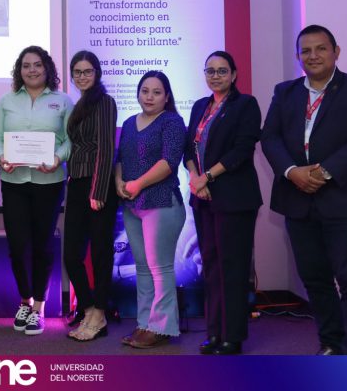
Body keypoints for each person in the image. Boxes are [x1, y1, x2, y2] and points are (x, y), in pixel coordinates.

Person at [261, 24, 347, 355]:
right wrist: (292, 172)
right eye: (306, 50)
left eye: (321, 48)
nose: (313, 55)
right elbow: (269, 137)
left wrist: (324, 172)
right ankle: (331, 343)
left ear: (336, 52)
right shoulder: (284, 92)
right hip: (297, 200)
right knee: (315, 280)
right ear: (298, 56)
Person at [183, 51, 262, 355]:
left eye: (222, 70)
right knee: (211, 267)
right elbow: (188, 148)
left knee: (232, 268)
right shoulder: (200, 106)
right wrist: (195, 178)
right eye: (210, 71)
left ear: (234, 74)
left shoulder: (245, 105)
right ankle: (215, 332)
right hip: (202, 198)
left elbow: (242, 149)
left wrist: (207, 177)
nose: (215, 76)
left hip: (234, 198)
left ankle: (233, 336)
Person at [0, 45, 73, 335]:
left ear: (47, 67)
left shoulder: (63, 101)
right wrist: (1, 156)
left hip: (48, 183)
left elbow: (70, 139)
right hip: (14, 182)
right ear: (19, 70)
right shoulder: (7, 101)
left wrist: (58, 158)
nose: (32, 70)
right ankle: (24, 300)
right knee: (17, 246)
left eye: (37, 64)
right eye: (26, 65)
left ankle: (39, 306)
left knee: (42, 244)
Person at [115, 70, 186, 349]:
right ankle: (144, 323)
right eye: (145, 91)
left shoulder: (172, 122)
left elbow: (168, 162)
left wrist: (137, 184)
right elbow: (120, 159)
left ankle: (162, 326)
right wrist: (119, 182)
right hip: (132, 204)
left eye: (157, 92)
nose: (149, 97)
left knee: (160, 268)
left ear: (166, 97)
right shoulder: (129, 123)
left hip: (162, 202)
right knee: (142, 268)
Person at [63, 50, 118, 342]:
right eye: (77, 72)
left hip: (98, 186)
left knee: (100, 253)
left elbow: (106, 148)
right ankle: (89, 310)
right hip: (76, 184)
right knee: (71, 255)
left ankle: (99, 313)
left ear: (97, 73)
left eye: (87, 71)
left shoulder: (104, 102)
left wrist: (97, 191)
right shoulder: (79, 104)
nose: (82, 76)